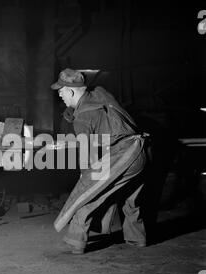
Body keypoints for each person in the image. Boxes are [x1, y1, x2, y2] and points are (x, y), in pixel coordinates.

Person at [51, 68, 149, 254]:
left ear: (71, 91)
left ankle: (75, 242)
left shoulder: (83, 119)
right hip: (140, 152)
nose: (60, 94)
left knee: (87, 194)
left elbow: (87, 159)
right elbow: (94, 103)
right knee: (130, 198)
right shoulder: (100, 93)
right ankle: (137, 239)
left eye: (61, 91)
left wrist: (85, 177)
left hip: (123, 154)